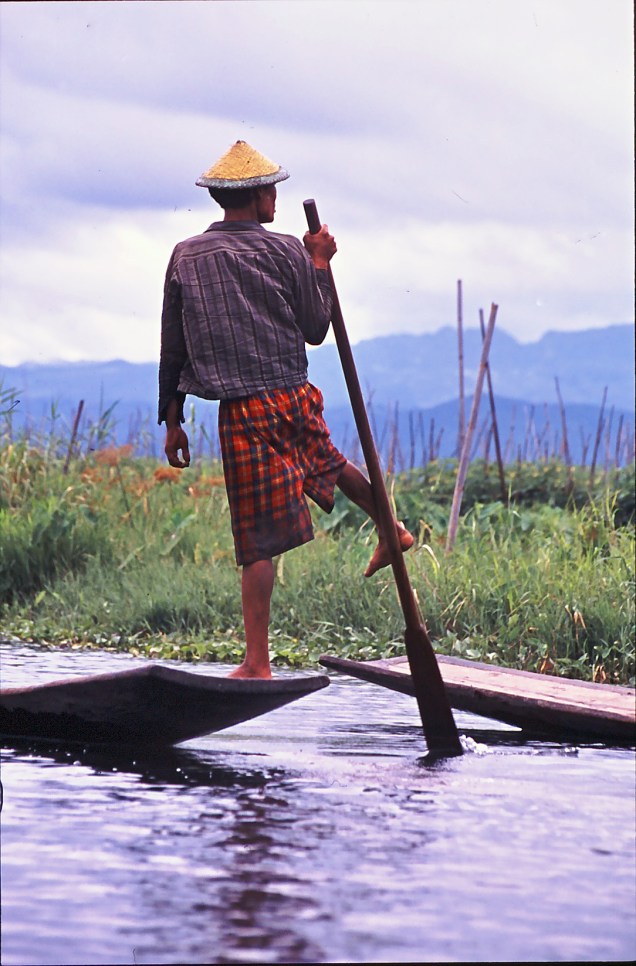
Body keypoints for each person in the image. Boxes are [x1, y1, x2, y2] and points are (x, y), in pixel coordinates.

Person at [159, 140, 413, 678]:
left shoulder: (185, 255)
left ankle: (258, 661)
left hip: (242, 408)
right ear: (255, 197)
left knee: (256, 538)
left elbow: (172, 347)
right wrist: (319, 263)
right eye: (271, 190)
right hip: (288, 395)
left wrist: (174, 420)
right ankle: (391, 528)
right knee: (328, 464)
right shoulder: (286, 251)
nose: (276, 199)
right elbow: (317, 328)